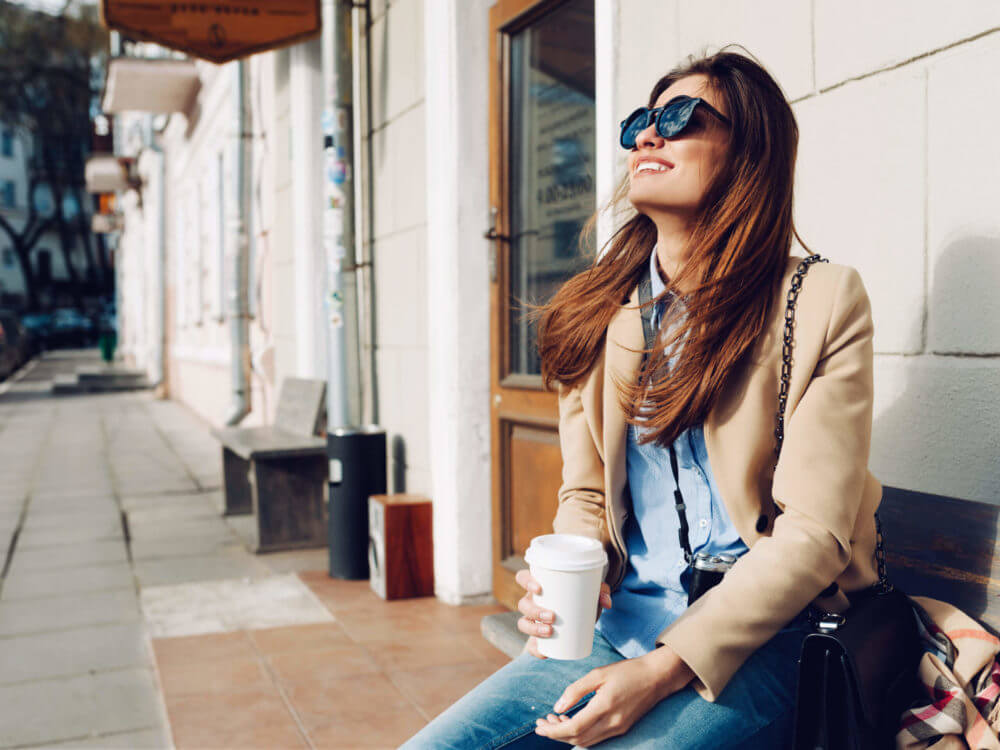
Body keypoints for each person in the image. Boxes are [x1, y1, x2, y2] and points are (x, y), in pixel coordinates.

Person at [400, 46, 882, 749]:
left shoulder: (819, 301)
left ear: (749, 152)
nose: (649, 136)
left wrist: (664, 669)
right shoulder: (596, 309)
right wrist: (562, 574)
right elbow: (588, 494)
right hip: (618, 624)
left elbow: (812, 536)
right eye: (640, 123)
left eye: (683, 118)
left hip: (764, 642)